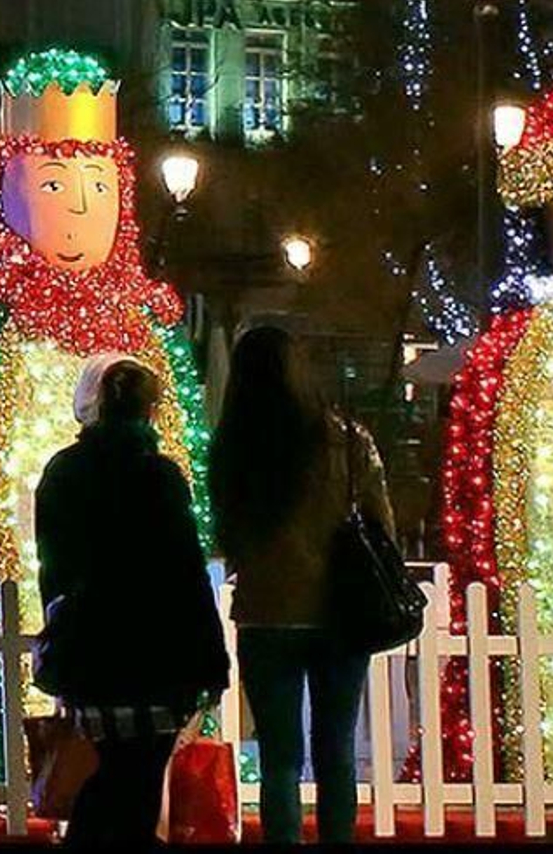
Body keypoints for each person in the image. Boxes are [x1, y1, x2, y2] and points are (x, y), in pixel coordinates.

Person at [210, 326, 395, 845]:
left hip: (267, 612)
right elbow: (381, 523)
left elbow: (227, 531)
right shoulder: (347, 439)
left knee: (280, 756)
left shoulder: (235, 447)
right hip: (340, 610)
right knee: (335, 750)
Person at [35, 360, 228, 845]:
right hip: (156, 653)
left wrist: (60, 631)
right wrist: (210, 659)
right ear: (150, 410)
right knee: (137, 780)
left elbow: (53, 568)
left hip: (91, 649)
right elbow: (186, 573)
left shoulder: (65, 471)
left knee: (115, 772)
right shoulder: (159, 476)